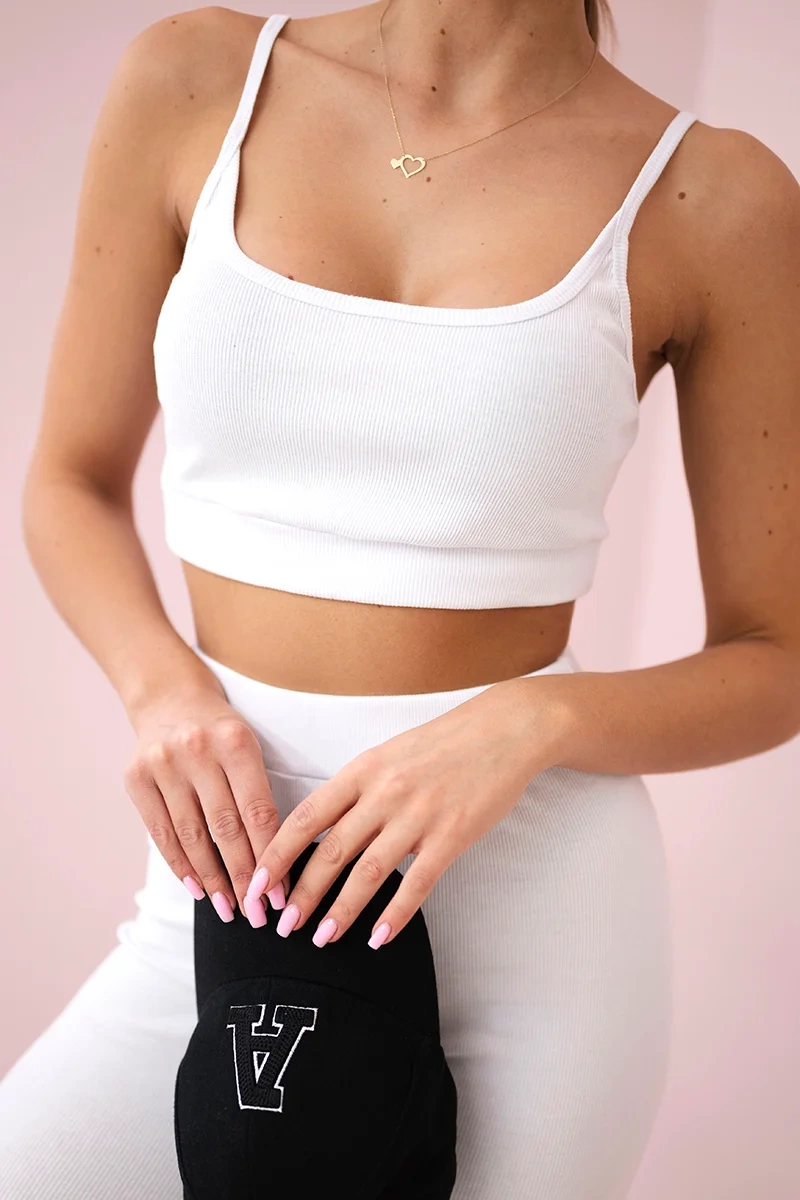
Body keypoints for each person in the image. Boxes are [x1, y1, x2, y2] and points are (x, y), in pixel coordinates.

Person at [3, 1, 799, 1197]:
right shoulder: (198, 79)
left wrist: (530, 724)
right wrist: (164, 692)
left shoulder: (711, 195)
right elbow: (68, 482)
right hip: (233, 880)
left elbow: (776, 652)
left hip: (531, 925)